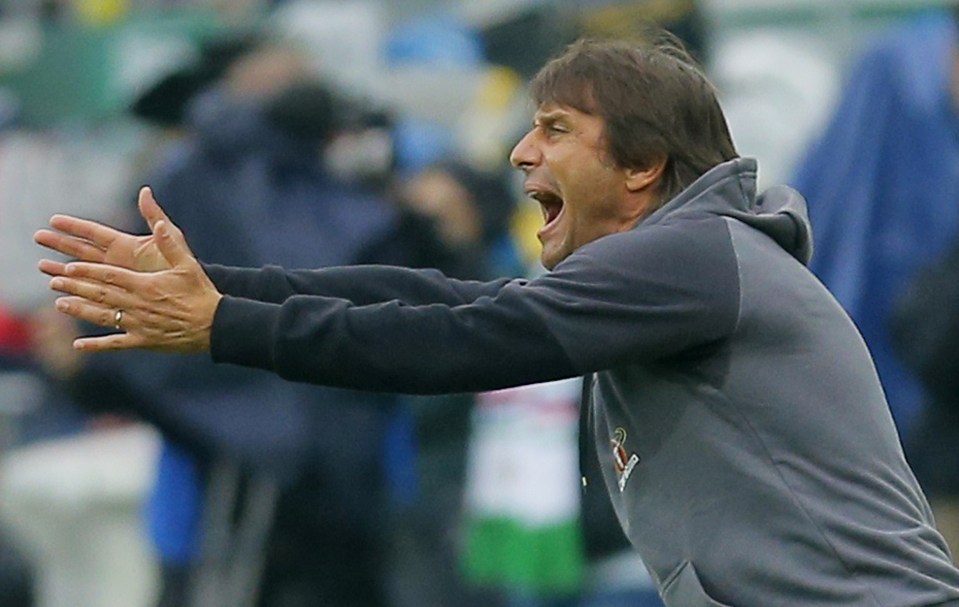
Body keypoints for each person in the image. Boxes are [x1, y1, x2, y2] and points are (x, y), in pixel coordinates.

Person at [34, 36, 959, 607]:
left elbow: (462, 341)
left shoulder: (692, 253)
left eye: (555, 128)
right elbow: (456, 300)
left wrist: (225, 324)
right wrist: (219, 283)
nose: (521, 150)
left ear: (640, 166)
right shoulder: (684, 262)